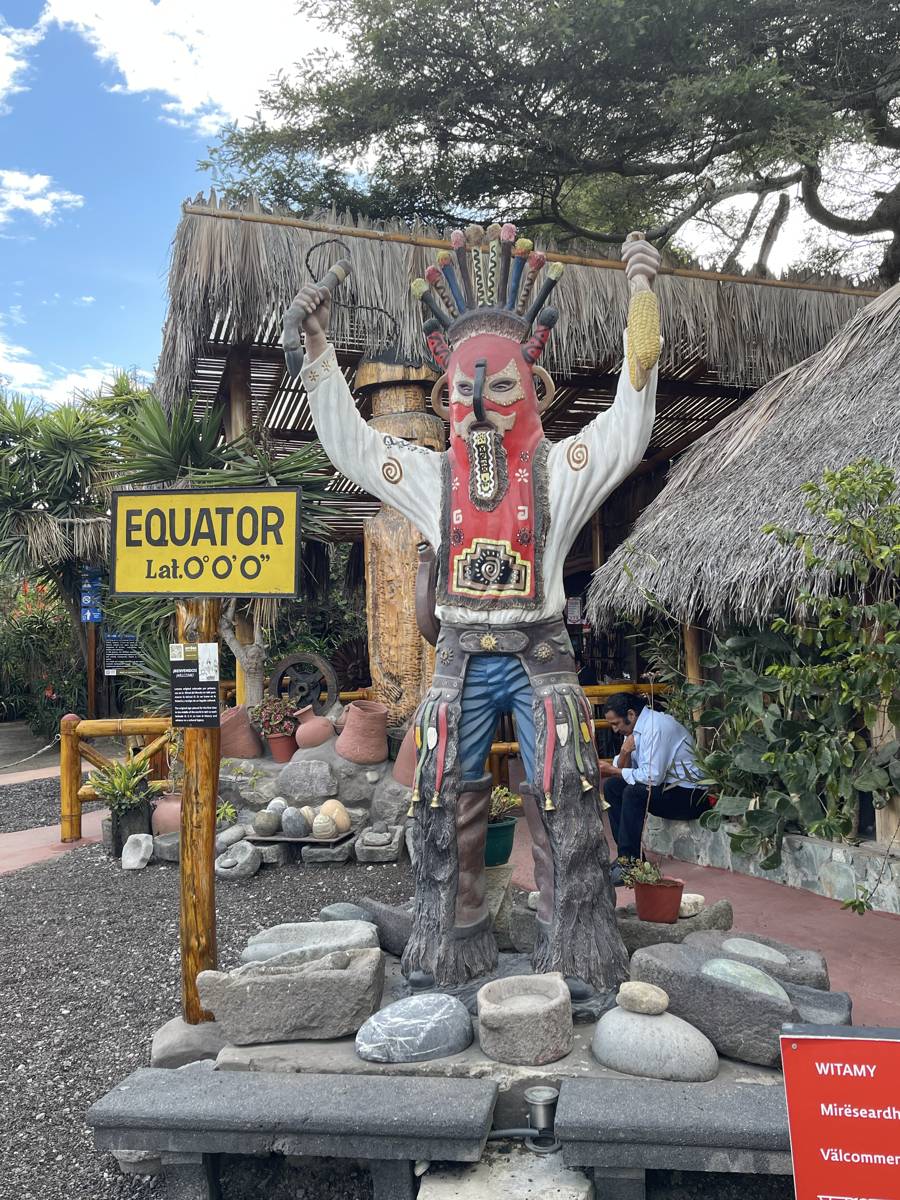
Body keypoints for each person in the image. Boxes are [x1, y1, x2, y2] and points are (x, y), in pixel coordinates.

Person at [287, 227, 662, 990]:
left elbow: (627, 427)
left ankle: (576, 946)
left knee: (565, 794)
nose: (482, 410)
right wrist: (319, 355)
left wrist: (643, 306)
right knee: (442, 798)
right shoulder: (431, 477)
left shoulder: (562, 470)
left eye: (500, 392)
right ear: (444, 401)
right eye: (465, 395)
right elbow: (355, 447)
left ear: (536, 392)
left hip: (541, 654)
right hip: (460, 658)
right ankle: (448, 939)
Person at [599, 691, 710, 884]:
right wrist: (624, 753)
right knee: (612, 787)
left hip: (691, 797)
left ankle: (630, 864)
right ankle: (629, 858)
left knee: (634, 792)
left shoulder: (656, 727)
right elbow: (624, 770)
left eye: (616, 724)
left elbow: (651, 778)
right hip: (667, 789)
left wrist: (613, 770)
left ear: (631, 714)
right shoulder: (633, 729)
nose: (615, 730)